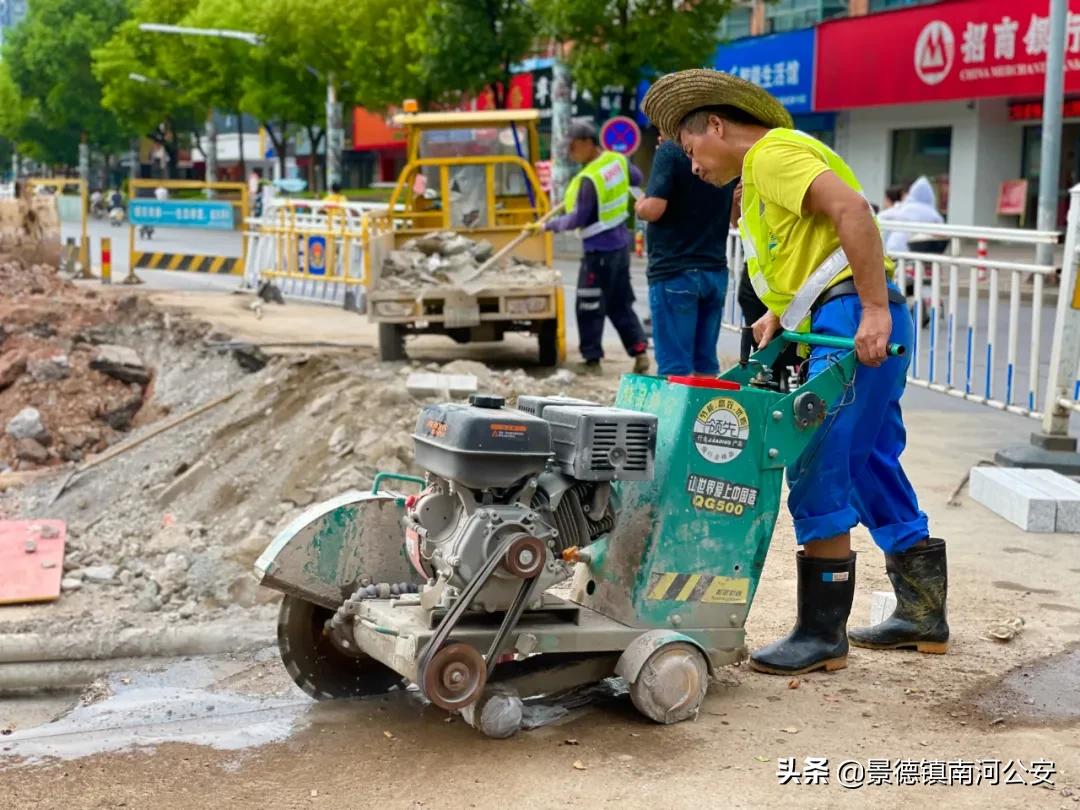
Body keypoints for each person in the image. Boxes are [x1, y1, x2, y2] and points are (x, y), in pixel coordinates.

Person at [643, 69, 947, 676]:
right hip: (833, 318)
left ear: (717, 126)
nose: (690, 163)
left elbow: (851, 211)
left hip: (851, 321)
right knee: (869, 463)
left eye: (688, 146)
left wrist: (872, 310)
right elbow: (815, 249)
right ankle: (923, 613)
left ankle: (820, 633)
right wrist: (780, 315)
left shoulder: (770, 156)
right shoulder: (761, 179)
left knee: (818, 458)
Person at [544, 121, 649, 374]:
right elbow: (636, 178)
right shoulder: (617, 161)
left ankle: (592, 361)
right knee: (620, 303)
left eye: (572, 146)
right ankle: (640, 353)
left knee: (589, 304)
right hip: (620, 247)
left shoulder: (589, 179)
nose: (570, 152)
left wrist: (549, 225)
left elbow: (577, 219)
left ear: (587, 143)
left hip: (598, 253)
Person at [634, 132, 734, 376]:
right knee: (706, 364)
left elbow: (655, 208)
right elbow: (735, 214)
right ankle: (700, 414)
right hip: (715, 271)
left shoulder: (670, 152)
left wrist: (640, 206)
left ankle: (673, 416)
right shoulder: (725, 153)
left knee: (674, 368)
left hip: (675, 271)